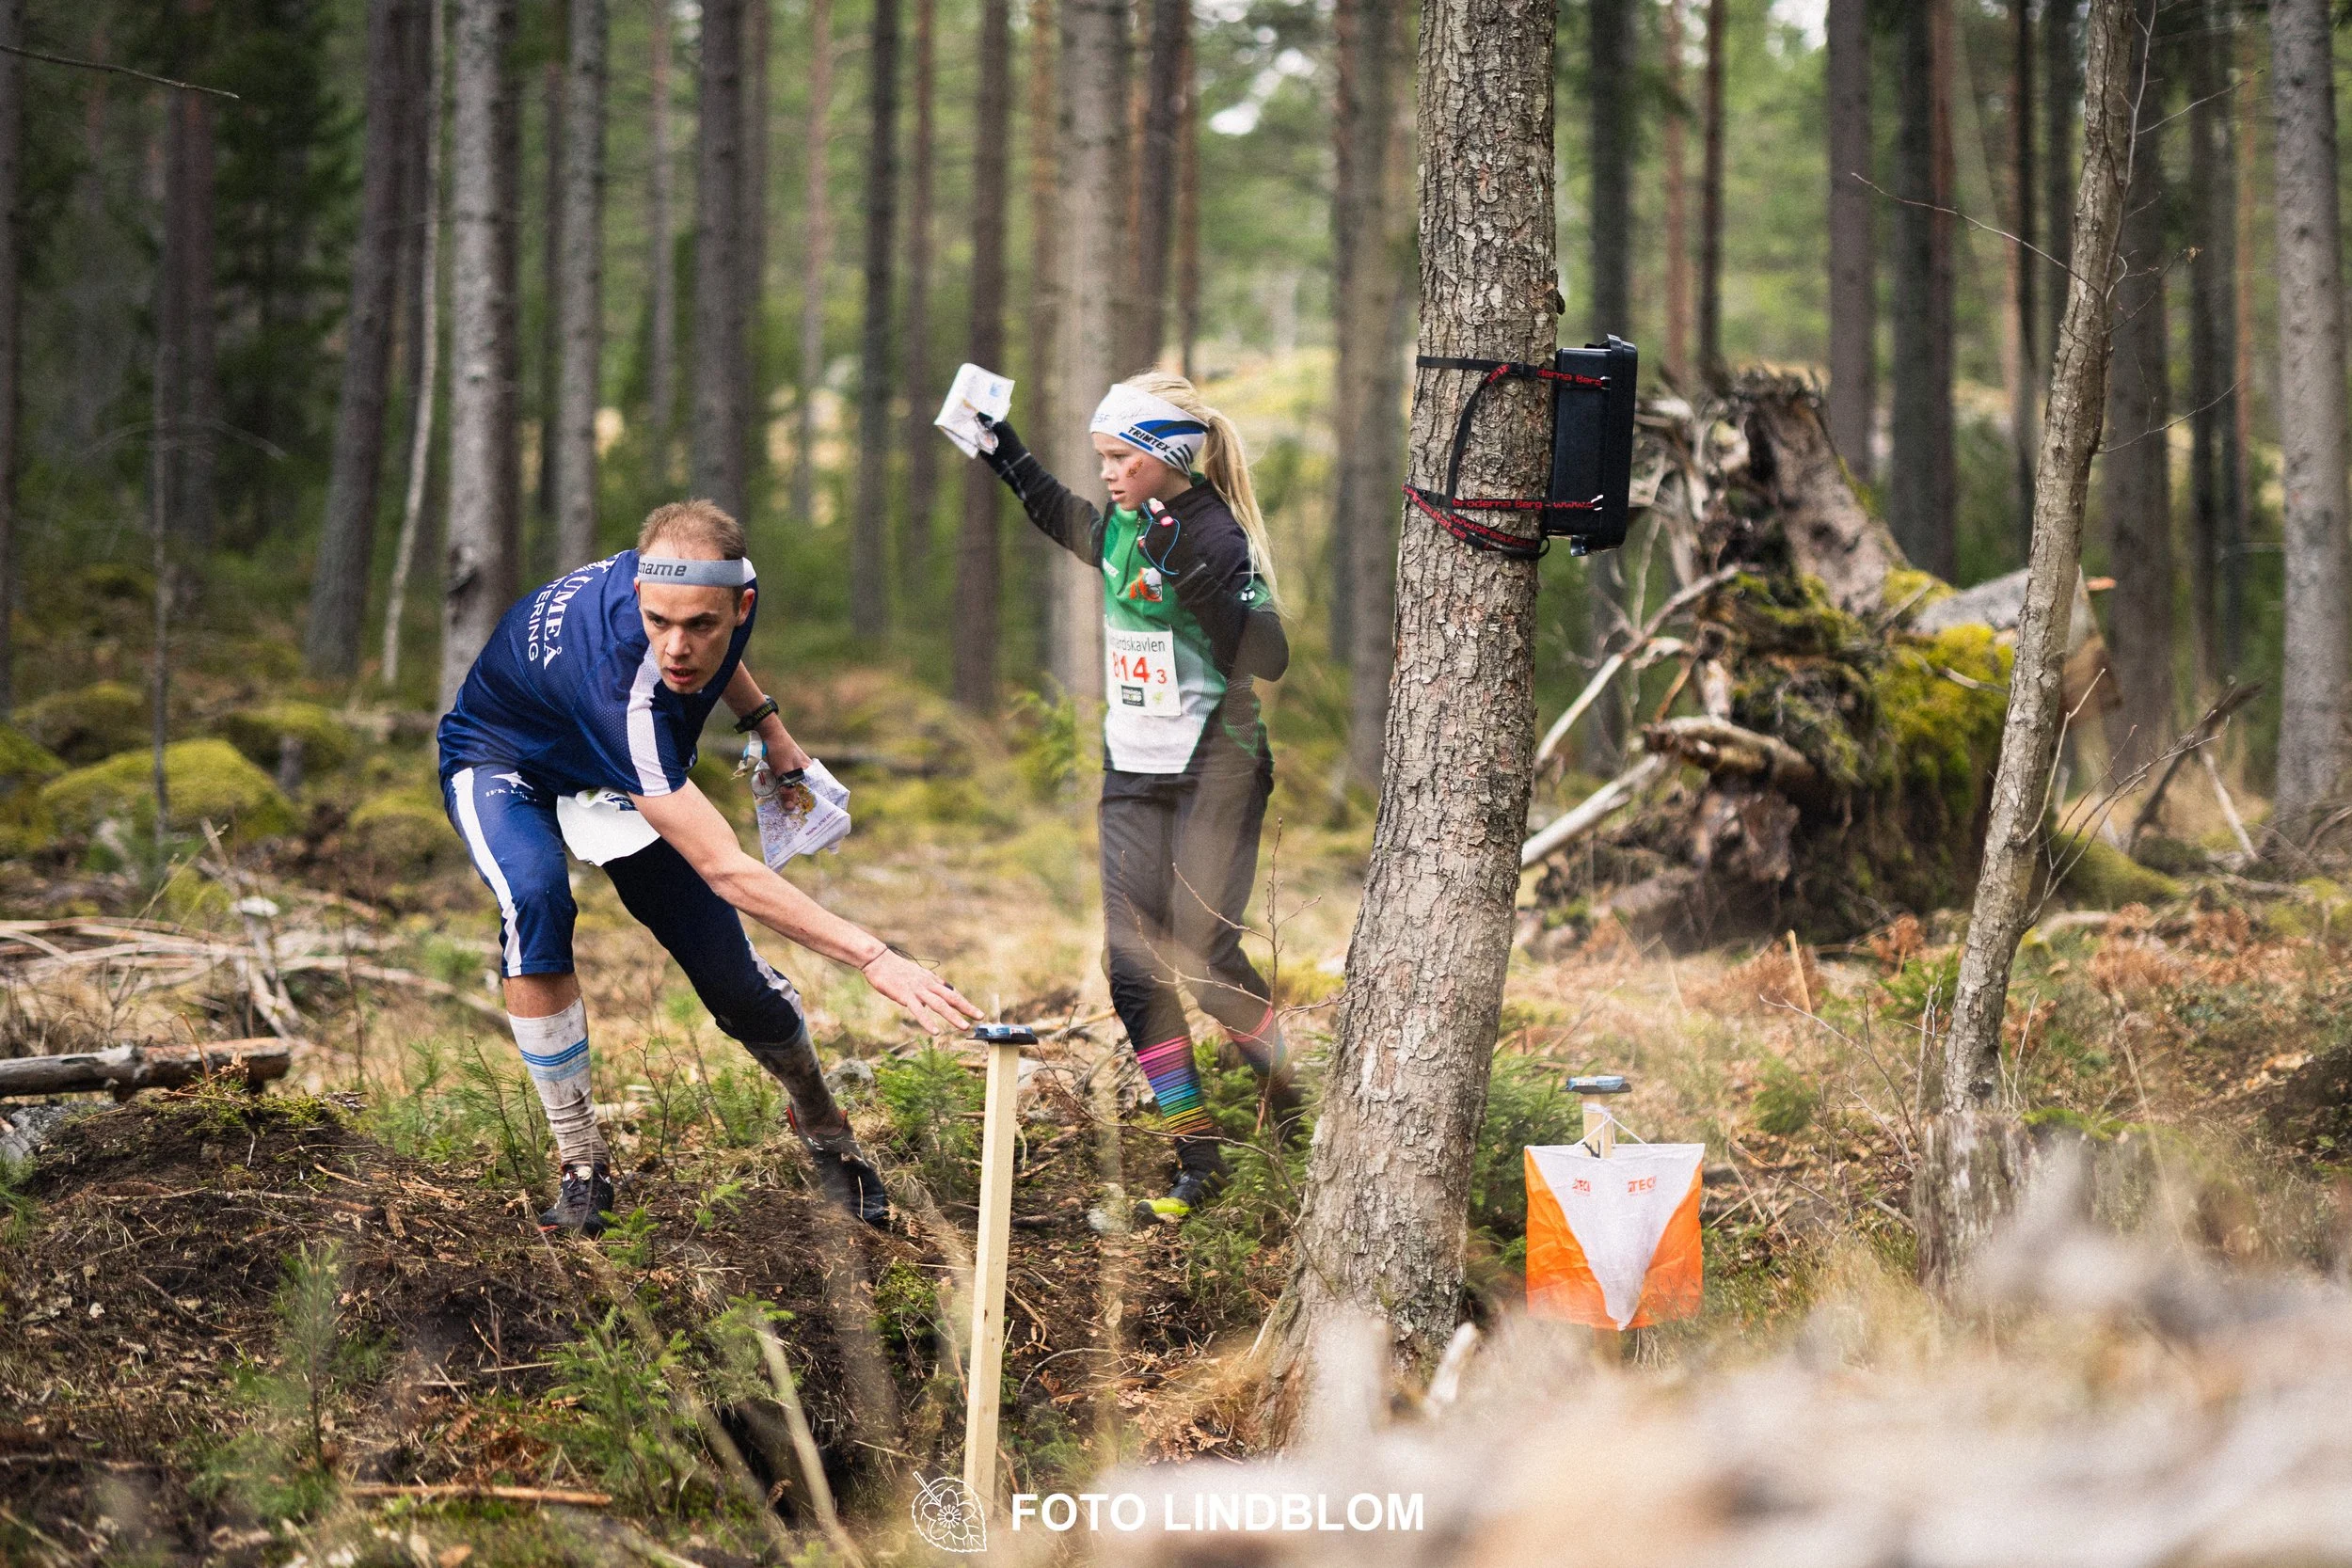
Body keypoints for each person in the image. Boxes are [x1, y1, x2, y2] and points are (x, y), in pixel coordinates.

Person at [437, 499, 984, 1236]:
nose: (679, 647)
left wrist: (768, 725)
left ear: (740, 603)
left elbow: (721, 655)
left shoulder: (717, 582)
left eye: (701, 624)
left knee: (733, 978)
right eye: (659, 622)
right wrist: (873, 955)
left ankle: (824, 1125)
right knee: (536, 899)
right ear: (639, 593)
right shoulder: (624, 687)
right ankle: (581, 1161)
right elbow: (725, 867)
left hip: (610, 764)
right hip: (505, 757)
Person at [971, 372, 1296, 1223]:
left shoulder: (1214, 532)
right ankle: (1199, 1157)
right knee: (1130, 968)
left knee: (1205, 957)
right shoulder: (1123, 519)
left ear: (1168, 455)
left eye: (1122, 458)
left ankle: (1295, 1109)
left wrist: (1188, 569)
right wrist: (1000, 446)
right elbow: (1064, 516)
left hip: (1217, 768)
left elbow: (1268, 655)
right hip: (1133, 773)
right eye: (1102, 459)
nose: (1109, 474)